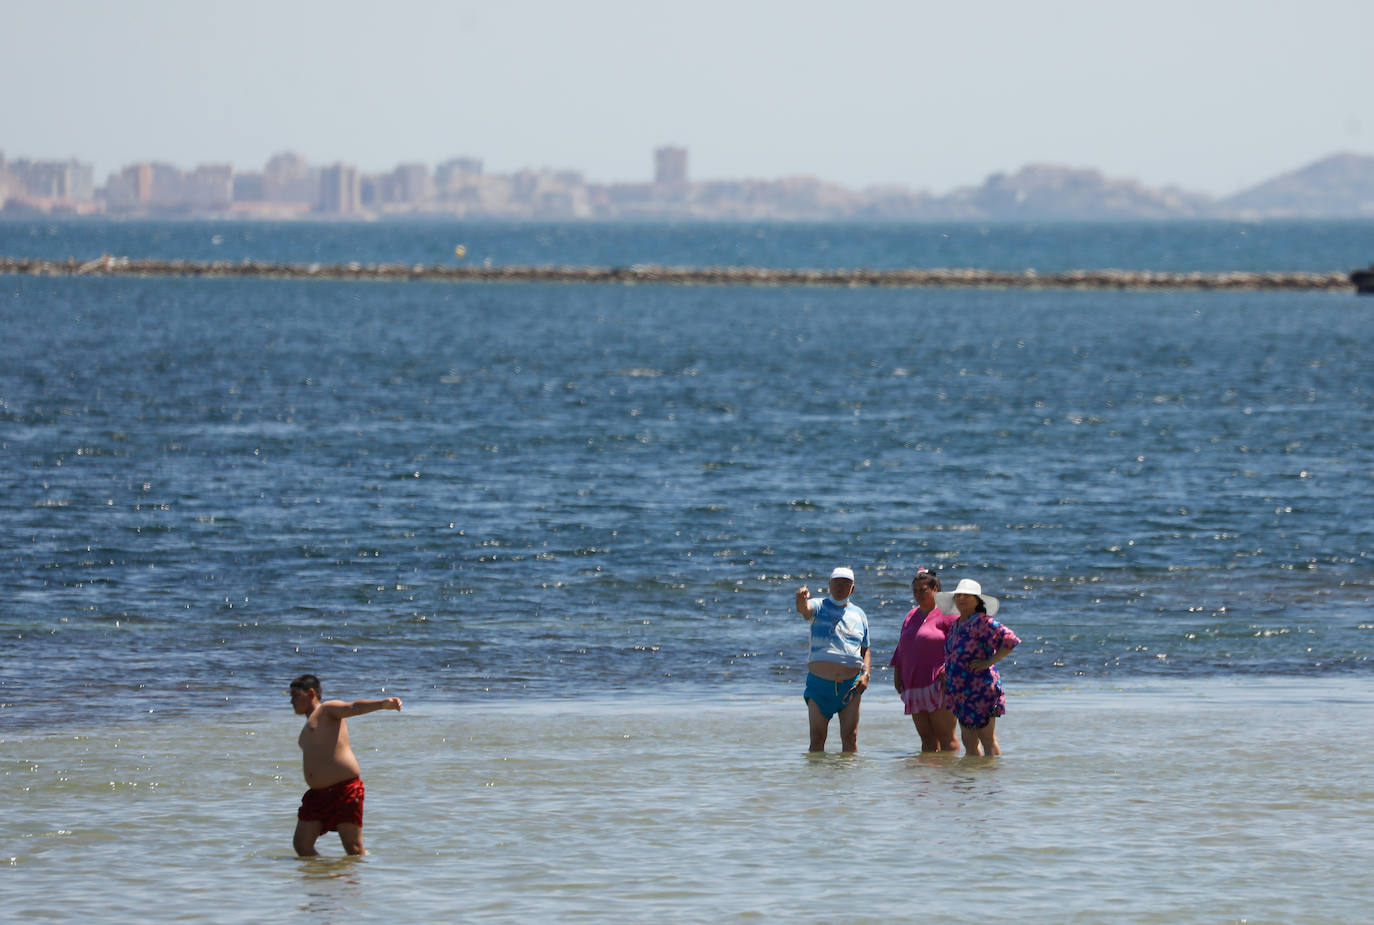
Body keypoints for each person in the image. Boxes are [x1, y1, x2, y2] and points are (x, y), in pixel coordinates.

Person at [288, 673, 402, 856]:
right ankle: (325, 877)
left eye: (295, 695)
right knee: (302, 845)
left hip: (344, 789)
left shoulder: (327, 710)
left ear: (310, 693)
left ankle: (366, 879)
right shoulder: (307, 727)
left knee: (353, 848)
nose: (291, 701)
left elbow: (353, 707)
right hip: (317, 795)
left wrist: (382, 704)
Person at [794, 566, 870, 752]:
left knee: (850, 738)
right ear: (829, 585)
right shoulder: (818, 606)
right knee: (817, 738)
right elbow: (804, 610)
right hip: (820, 687)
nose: (840, 587)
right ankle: (817, 781)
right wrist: (800, 599)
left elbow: (865, 649)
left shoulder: (859, 614)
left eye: (846, 583)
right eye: (836, 582)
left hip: (850, 687)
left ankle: (849, 779)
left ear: (852, 589)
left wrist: (866, 674)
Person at [941, 579, 1020, 757]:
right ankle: (973, 781)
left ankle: (992, 781)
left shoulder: (982, 621)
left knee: (987, 739)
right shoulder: (956, 624)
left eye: (967, 596)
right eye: (958, 595)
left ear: (977, 600)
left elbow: (1010, 639)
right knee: (969, 741)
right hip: (959, 691)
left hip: (981, 688)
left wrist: (989, 661)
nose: (961, 598)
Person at [889, 567, 959, 752]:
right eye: (915, 591)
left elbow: (962, 645)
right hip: (914, 685)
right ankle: (927, 779)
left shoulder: (948, 614)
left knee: (947, 740)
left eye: (923, 590)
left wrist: (950, 669)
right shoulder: (910, 615)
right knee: (927, 742)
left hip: (940, 684)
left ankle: (952, 778)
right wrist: (897, 674)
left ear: (935, 589)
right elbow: (901, 648)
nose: (918, 594)